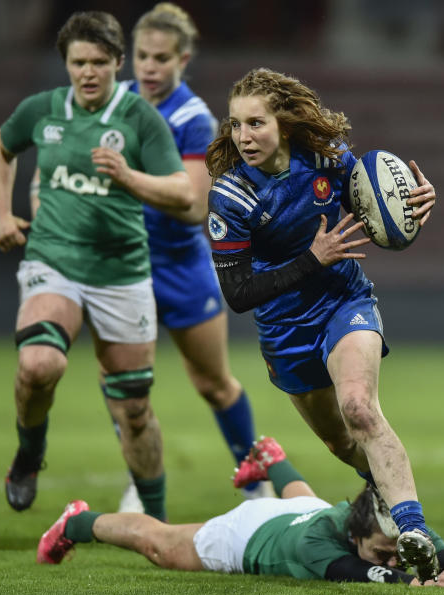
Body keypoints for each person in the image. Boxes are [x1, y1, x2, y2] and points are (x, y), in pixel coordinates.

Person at [203, 68, 440, 580]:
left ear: (283, 124)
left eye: (256, 123)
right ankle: (377, 484)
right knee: (339, 441)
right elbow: (239, 294)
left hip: (342, 301)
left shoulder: (328, 157)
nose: (244, 136)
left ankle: (415, 529)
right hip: (284, 331)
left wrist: (412, 206)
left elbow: (371, 205)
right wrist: (312, 258)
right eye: (236, 125)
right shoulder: (231, 196)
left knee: (359, 405)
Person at [29, 3, 266, 507]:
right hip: (117, 268)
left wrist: (124, 179)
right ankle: (141, 481)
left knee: (213, 382)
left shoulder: (193, 119)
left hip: (180, 267)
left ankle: (255, 480)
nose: (150, 67)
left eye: (162, 57)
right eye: (142, 56)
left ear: (184, 59)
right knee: (123, 386)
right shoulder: (110, 105)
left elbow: (194, 206)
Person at [0, 10, 196, 519]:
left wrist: (129, 178)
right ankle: (30, 451)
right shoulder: (44, 109)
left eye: (99, 62)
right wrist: (0, 214)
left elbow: (183, 192)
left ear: (118, 63)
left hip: (122, 272)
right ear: (66, 63)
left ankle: (155, 519)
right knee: (40, 364)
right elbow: (1, 147)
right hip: (54, 260)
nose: (88, 72)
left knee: (135, 410)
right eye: (78, 62)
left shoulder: (140, 118)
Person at [37, 436, 444, 590]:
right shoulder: (320, 546)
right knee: (161, 546)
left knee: (304, 500)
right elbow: (357, 574)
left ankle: (272, 459)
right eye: (387, 552)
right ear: (356, 536)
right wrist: (414, 584)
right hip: (249, 536)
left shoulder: (392, 522)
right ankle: (77, 520)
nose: (398, 557)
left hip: (303, 508)